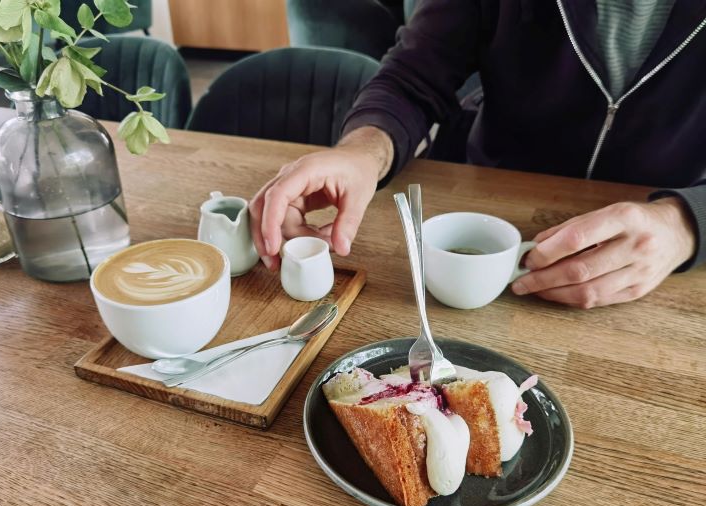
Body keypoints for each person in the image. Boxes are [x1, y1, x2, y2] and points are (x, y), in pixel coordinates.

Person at [249, 0, 705, 308]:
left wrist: (686, 224)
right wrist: (361, 153)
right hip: (488, 200)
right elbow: (414, 74)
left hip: (659, 276)